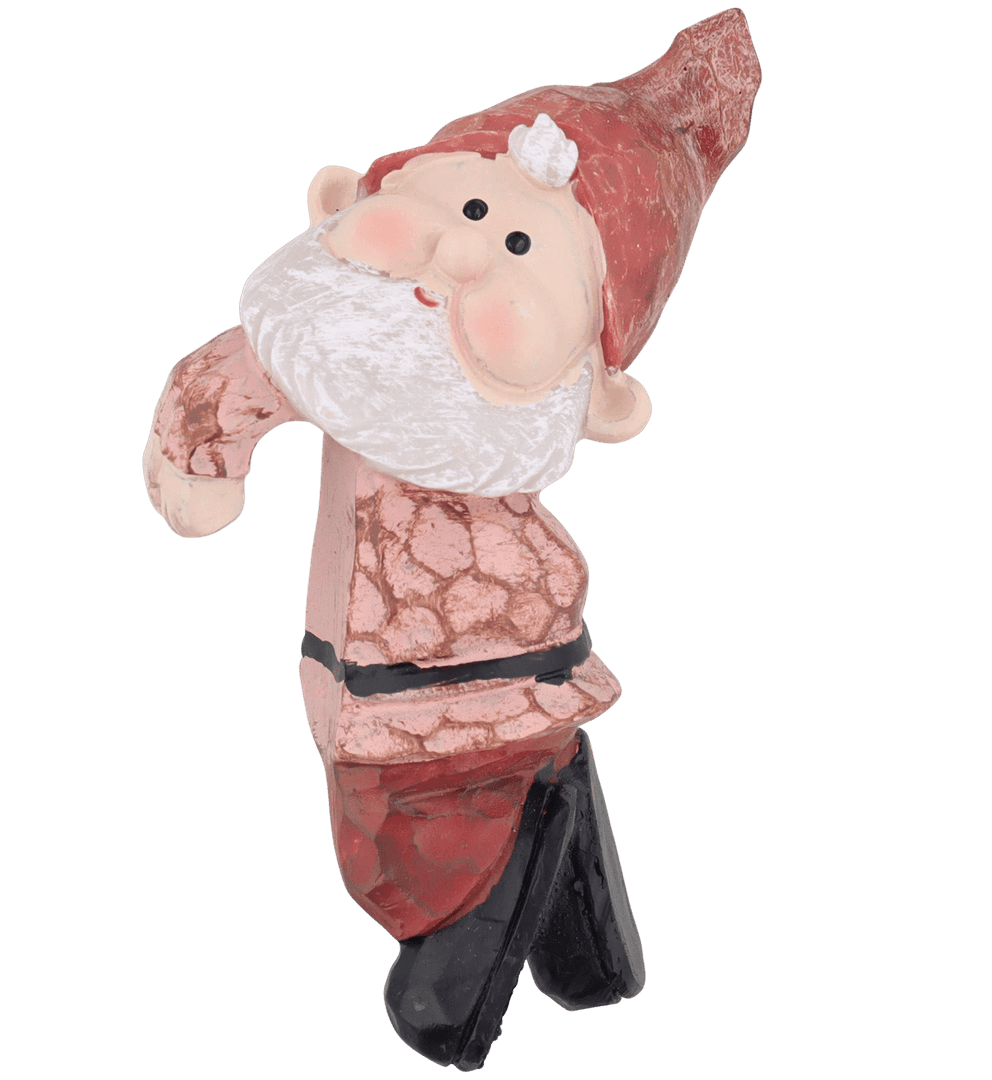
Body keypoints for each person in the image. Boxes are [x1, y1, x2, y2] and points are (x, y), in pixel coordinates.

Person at [143, 8, 761, 1069]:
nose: (465, 251)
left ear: (597, 393)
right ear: (351, 201)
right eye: (468, 206)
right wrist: (201, 454)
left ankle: (456, 980)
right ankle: (584, 933)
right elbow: (232, 376)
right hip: (376, 659)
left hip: (471, 651)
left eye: (520, 247)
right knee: (408, 790)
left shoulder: (485, 413)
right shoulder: (336, 335)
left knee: (421, 824)